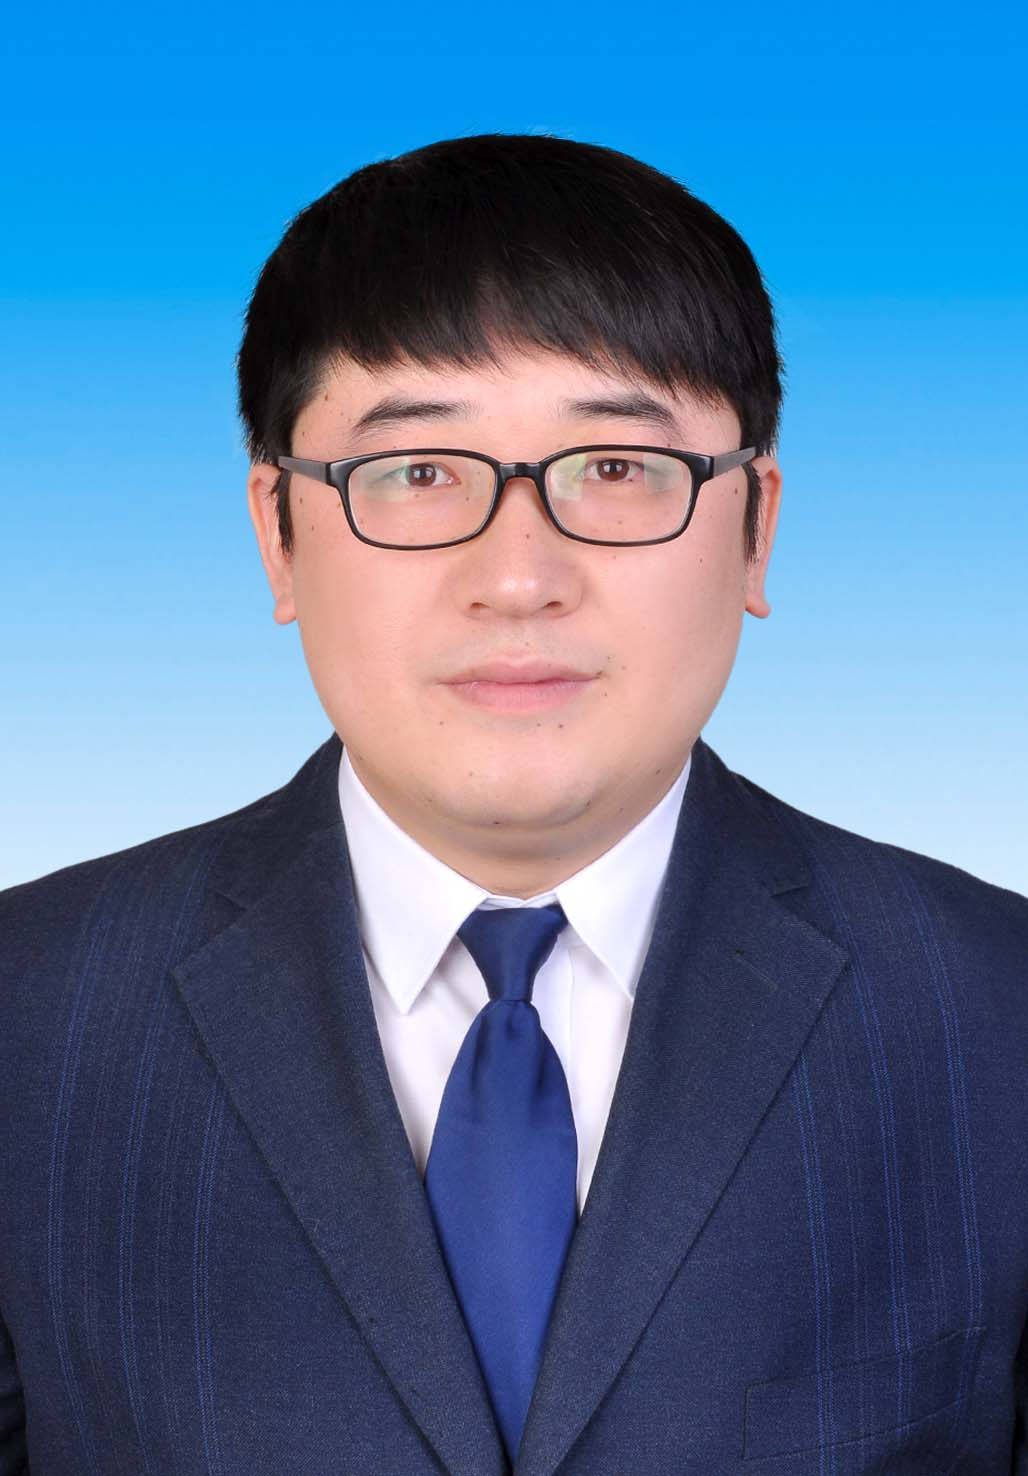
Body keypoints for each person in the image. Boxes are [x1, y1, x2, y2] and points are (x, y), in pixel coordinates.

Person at [1, 131, 1025, 1476]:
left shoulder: (996, 1013)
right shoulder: (29, 1015)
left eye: (616, 468)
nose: (520, 576)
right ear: (278, 535)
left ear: (756, 527)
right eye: (420, 472)